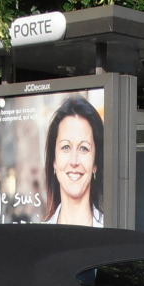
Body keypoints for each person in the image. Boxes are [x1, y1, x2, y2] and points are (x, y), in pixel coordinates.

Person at [42, 95, 104, 227]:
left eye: (84, 148)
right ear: (54, 159)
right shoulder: (38, 237)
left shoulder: (112, 232)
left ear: (95, 164)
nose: (74, 161)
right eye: (66, 147)